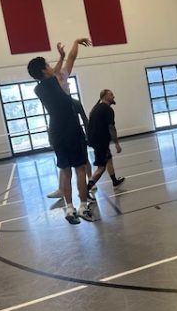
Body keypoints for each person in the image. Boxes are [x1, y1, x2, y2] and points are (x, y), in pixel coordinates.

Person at [27, 38, 94, 224]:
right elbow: (71, 58)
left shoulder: (38, 89)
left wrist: (60, 58)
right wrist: (73, 45)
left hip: (55, 132)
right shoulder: (58, 79)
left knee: (65, 171)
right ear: (44, 70)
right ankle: (83, 206)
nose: (51, 66)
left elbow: (55, 71)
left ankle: (69, 209)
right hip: (71, 128)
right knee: (80, 168)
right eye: (47, 65)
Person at [46, 42, 93, 199]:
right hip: (60, 118)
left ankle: (90, 184)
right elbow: (54, 68)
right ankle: (62, 189)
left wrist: (76, 42)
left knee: (82, 158)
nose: (54, 69)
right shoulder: (50, 82)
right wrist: (61, 56)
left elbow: (72, 57)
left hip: (70, 112)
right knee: (64, 160)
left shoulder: (63, 75)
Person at [87, 89, 125, 192]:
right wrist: (117, 143)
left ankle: (114, 182)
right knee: (101, 167)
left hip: (97, 140)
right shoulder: (107, 110)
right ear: (104, 97)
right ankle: (87, 189)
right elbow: (111, 127)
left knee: (109, 159)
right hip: (100, 142)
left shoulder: (97, 108)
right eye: (111, 95)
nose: (114, 96)